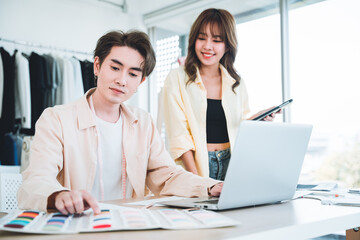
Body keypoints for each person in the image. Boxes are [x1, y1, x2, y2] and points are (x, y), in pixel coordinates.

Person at [17, 30, 222, 215]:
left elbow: (167, 176)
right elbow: (36, 180)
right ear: (97, 66)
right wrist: (58, 195)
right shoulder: (56, 119)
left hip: (127, 223)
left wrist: (210, 187)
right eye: (115, 68)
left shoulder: (143, 122)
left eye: (132, 74)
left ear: (140, 82)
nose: (122, 80)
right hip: (75, 224)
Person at [160, 8, 280, 181]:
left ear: (227, 45)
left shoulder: (236, 82)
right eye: (202, 38)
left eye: (216, 40)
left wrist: (256, 119)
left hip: (232, 164)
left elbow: (238, 128)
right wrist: (198, 181)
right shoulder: (177, 78)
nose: (207, 46)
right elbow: (179, 135)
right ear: (194, 40)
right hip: (195, 166)